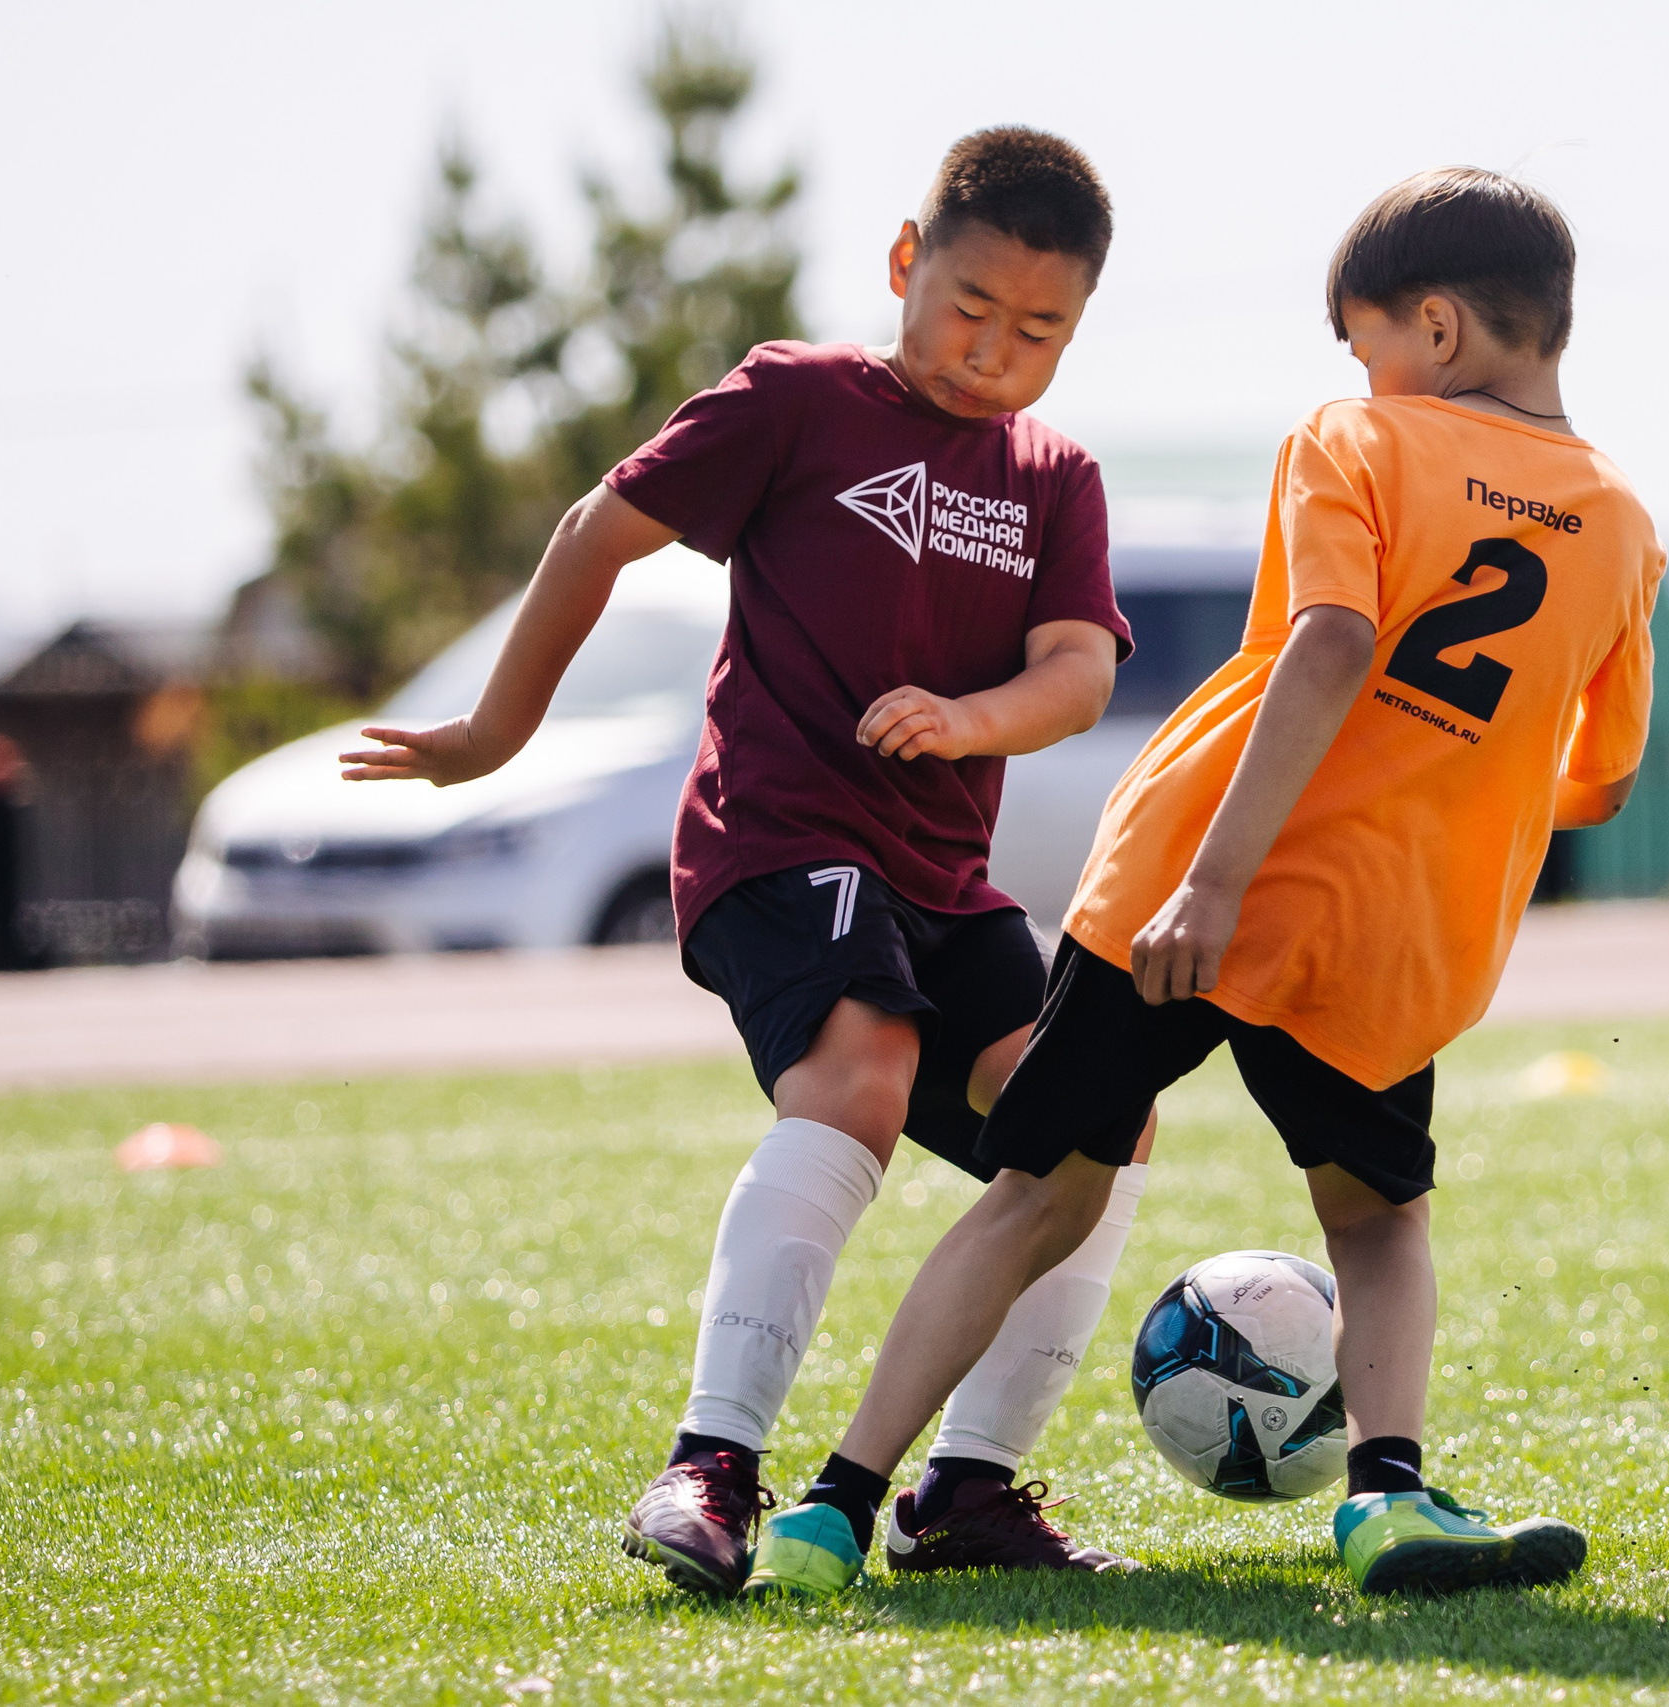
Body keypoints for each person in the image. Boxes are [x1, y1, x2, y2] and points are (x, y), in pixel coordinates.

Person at [741, 166, 1660, 1600]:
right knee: (1375, 1217)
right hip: (1382, 933)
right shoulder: (1618, 520)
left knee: (1033, 1191)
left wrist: (1218, 884)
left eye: (1363, 344)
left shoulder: (1357, 436)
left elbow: (1333, 639)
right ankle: (1390, 1495)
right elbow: (1595, 775)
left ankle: (834, 1508)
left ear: (1428, 327)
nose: (1358, 374)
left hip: (1191, 877)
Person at [339, 127, 1160, 1594]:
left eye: (1039, 330)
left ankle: (963, 1492)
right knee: (865, 1066)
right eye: (969, 305)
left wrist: (973, 715)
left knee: (1106, 1118)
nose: (993, 352)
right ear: (906, 260)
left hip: (946, 882)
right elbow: (600, 532)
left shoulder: (1056, 475)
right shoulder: (798, 399)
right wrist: (491, 731)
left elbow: (1081, 671)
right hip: (778, 838)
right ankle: (709, 1464)